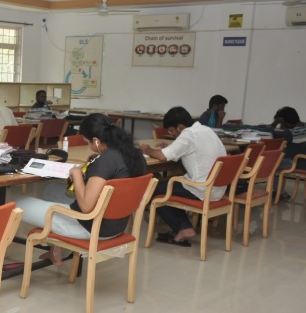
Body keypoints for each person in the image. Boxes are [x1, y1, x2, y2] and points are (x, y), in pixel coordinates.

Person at [15, 113, 146, 265]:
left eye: (88, 142)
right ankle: (56, 250)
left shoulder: (107, 161)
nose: (89, 146)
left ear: (96, 141)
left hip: (93, 227)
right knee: (51, 190)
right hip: (118, 224)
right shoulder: (134, 155)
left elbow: (86, 206)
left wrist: (77, 174)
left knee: (17, 204)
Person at [140, 106, 227, 246]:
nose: (171, 134)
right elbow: (192, 150)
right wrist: (170, 147)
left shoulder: (188, 134)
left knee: (152, 189)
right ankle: (185, 227)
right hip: (217, 188)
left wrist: (147, 149)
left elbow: (162, 157)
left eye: (171, 130)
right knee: (166, 186)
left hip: (202, 189)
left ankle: (182, 229)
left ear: (180, 127)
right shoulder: (205, 130)